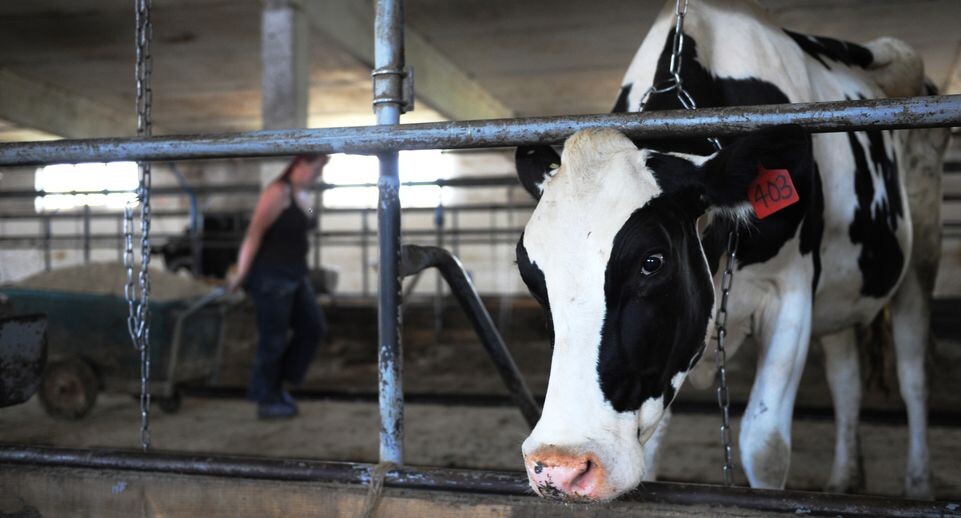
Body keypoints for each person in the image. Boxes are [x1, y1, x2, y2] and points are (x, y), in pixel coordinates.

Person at [229, 153, 329, 419]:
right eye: (317, 168)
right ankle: (267, 399)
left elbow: (310, 220)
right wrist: (241, 274)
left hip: (295, 275)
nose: (318, 174)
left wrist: (307, 197)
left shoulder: (302, 195)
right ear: (299, 164)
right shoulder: (276, 192)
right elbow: (254, 233)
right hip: (271, 276)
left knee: (313, 328)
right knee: (272, 339)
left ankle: (278, 385)